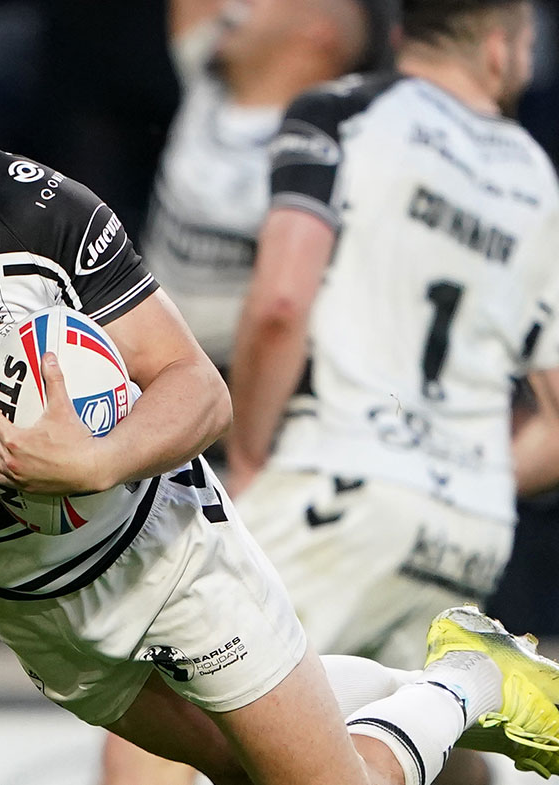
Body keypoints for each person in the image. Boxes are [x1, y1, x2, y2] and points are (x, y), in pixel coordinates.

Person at [0, 2, 559, 784]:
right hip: (29, 607)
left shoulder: (37, 217)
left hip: (169, 555)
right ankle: (458, 698)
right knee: (243, 767)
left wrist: (98, 456)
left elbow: (199, 386)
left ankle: (467, 683)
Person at [227, 0, 559, 782]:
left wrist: (246, 454)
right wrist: (466, 469)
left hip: (333, 491)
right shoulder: (554, 200)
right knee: (427, 743)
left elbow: (279, 302)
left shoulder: (339, 115)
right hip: (466, 526)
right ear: (503, 49)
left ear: (403, 33)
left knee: (162, 720)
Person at [102, 0, 398, 781]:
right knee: (391, 702)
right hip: (183, 431)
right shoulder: (210, 81)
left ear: (321, 33)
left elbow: (281, 310)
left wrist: (248, 450)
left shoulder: (347, 138)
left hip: (279, 444)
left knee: (166, 702)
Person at [142, 0, 397, 370]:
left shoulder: (344, 155)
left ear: (318, 30)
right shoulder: (209, 81)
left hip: (233, 390)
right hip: (138, 364)